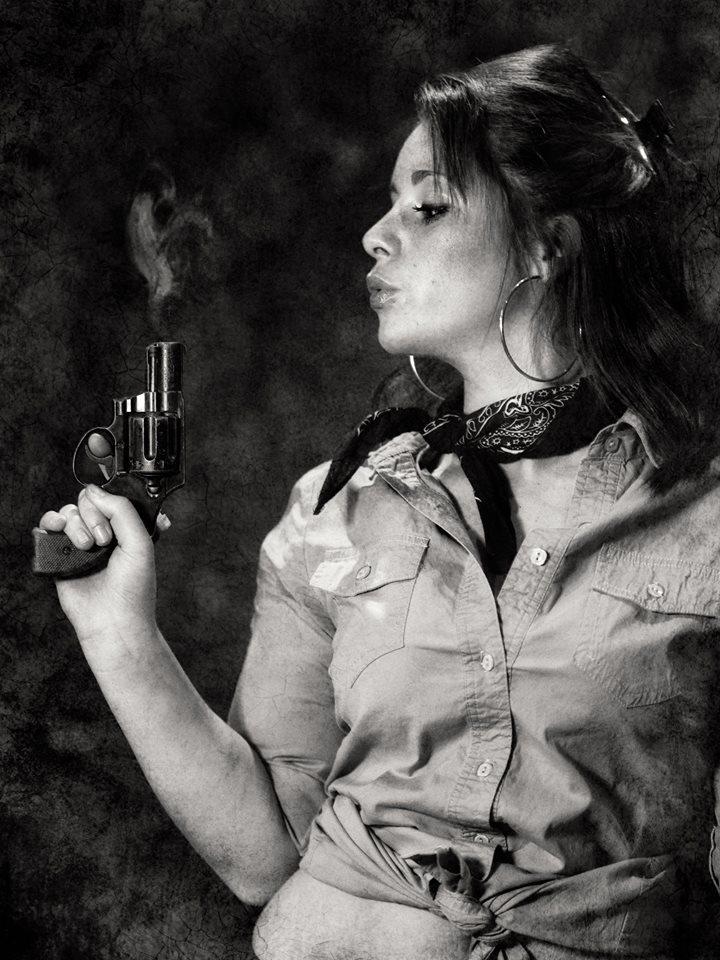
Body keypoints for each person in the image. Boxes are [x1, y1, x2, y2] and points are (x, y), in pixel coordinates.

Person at [38, 44, 720, 960]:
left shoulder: (704, 510)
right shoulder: (335, 512)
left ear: (547, 245)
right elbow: (265, 854)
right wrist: (117, 633)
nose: (375, 234)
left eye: (428, 206)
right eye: (390, 203)